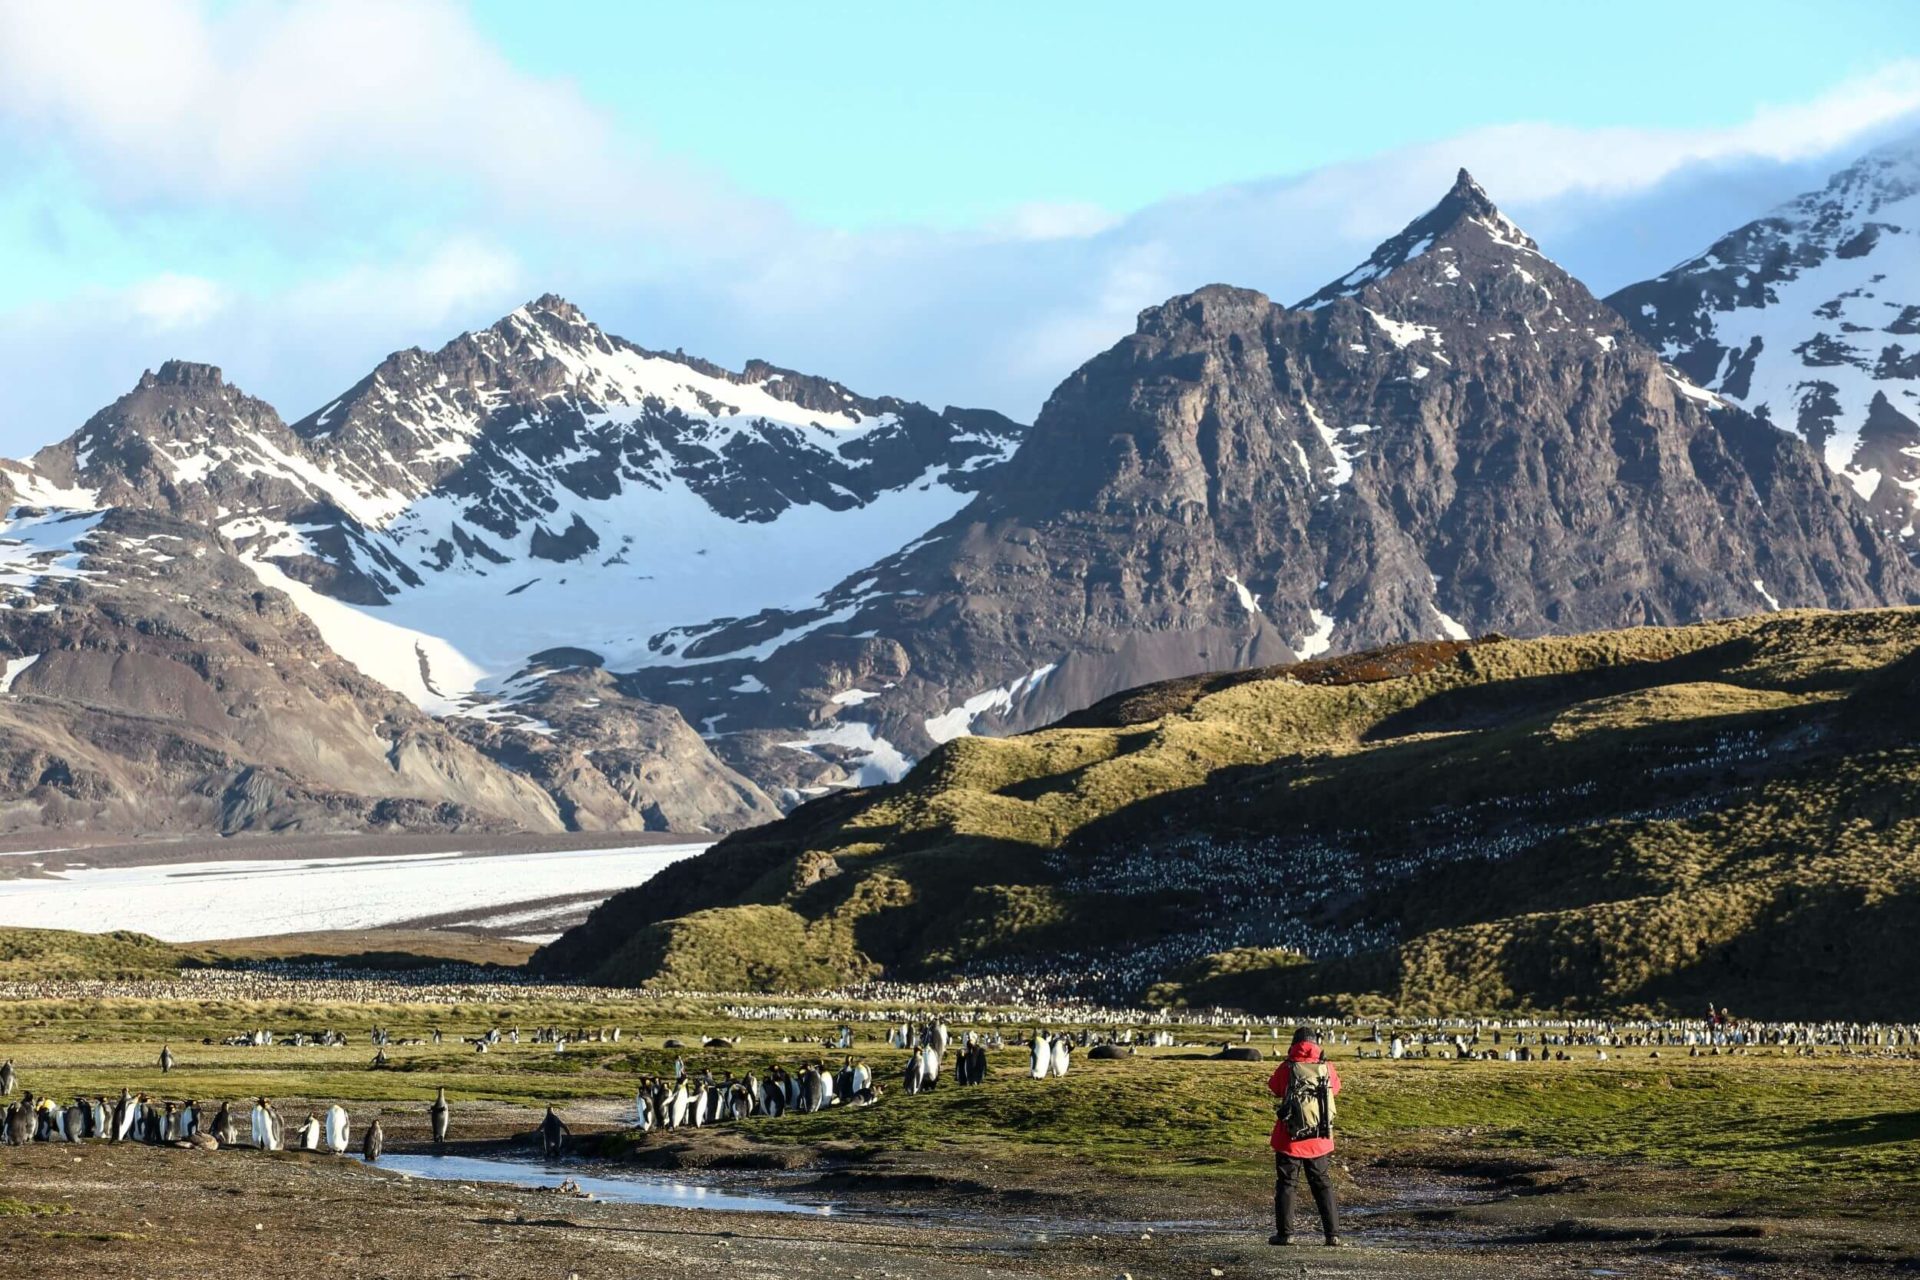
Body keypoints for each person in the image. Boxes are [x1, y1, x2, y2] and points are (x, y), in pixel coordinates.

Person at [1267, 1026, 1343, 1247]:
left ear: (1294, 1043)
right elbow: (1335, 1089)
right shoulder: (1326, 1066)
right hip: (1319, 1135)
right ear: (1315, 1043)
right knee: (1322, 1184)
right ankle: (1332, 1234)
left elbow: (1274, 1087)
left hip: (1289, 1137)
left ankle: (1286, 1234)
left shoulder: (1288, 1066)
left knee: (1287, 1184)